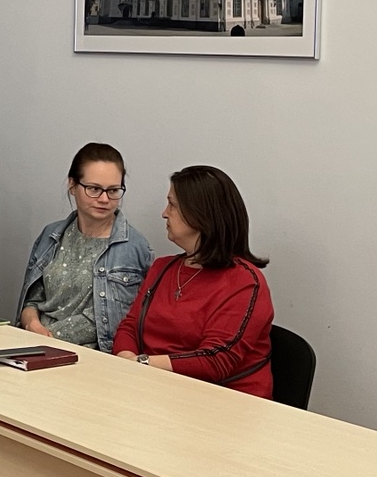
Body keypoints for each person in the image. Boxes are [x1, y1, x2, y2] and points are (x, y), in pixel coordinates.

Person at [113, 165, 274, 397]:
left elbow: (216, 359)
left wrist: (142, 364)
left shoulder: (246, 283)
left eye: (172, 205)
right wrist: (126, 359)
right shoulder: (162, 268)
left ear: (200, 215)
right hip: (155, 390)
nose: (164, 213)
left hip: (223, 402)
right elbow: (130, 326)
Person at [16, 142, 152, 352]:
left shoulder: (133, 248)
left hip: (91, 355)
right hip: (36, 344)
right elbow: (32, 300)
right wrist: (32, 325)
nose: (104, 199)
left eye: (113, 190)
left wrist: (50, 336)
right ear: (72, 185)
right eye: (94, 189)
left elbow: (113, 320)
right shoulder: (51, 235)